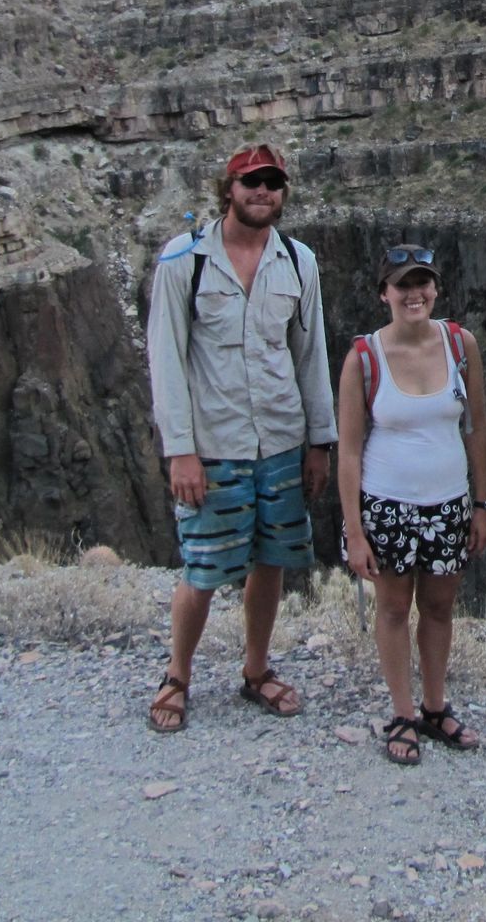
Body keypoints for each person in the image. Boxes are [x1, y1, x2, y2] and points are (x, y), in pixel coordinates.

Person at [143, 143, 336, 733]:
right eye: (251, 182)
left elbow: (311, 355)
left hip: (280, 441)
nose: (262, 192)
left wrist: (319, 443)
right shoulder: (184, 262)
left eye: (273, 183)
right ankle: (177, 675)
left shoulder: (299, 263)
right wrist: (181, 451)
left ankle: (256, 670)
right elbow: (166, 362)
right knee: (203, 567)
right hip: (215, 446)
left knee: (271, 561)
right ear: (227, 189)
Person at [336, 245, 486, 765]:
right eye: (403, 285)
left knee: (440, 607)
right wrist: (354, 531)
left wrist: (483, 502)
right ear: (384, 293)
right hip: (388, 507)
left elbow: (477, 428)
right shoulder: (364, 357)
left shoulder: (460, 344)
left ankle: (434, 706)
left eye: (423, 283)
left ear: (436, 290)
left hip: (448, 504)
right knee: (391, 608)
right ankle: (402, 714)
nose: (414, 294)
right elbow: (350, 450)